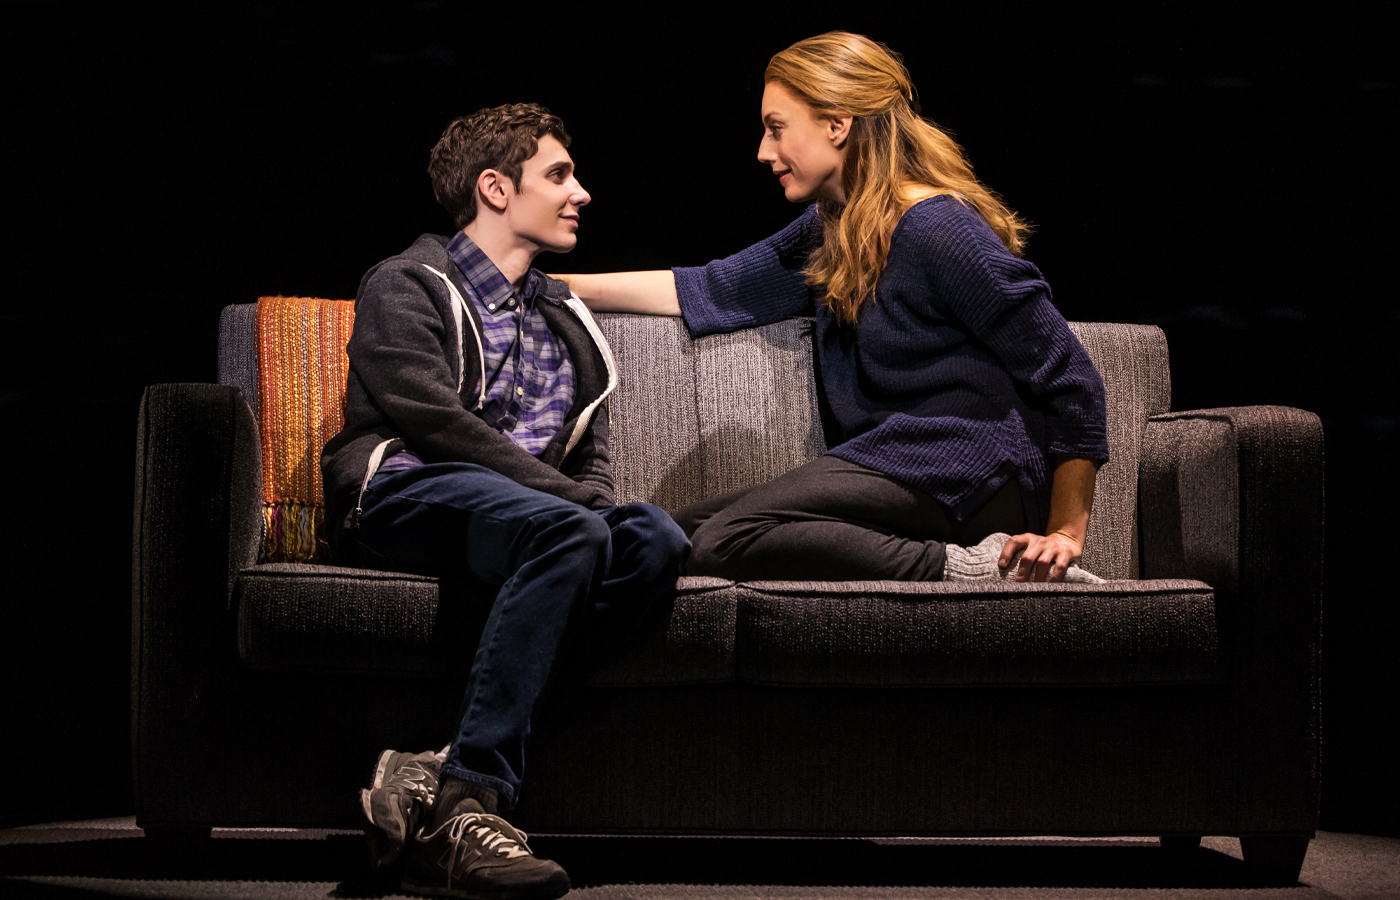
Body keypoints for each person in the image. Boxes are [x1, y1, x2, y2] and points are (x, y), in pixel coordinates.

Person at [559, 32, 1109, 585]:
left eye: (777, 128)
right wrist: (547, 285)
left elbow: (1072, 378)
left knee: (723, 538)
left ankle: (970, 566)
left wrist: (1064, 534)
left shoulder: (940, 229)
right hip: (897, 463)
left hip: (975, 473)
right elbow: (709, 288)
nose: (764, 151)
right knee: (670, 534)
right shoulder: (832, 227)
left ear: (837, 124)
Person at [320, 103, 690, 900]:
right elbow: (435, 423)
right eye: (559, 175)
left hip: (531, 522)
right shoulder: (405, 282)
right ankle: (470, 806)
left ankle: (436, 766)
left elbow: (591, 459)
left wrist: (590, 507)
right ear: (495, 188)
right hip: (405, 494)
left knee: (655, 538)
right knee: (573, 530)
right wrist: (575, 507)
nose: (580, 193)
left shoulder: (566, 318)